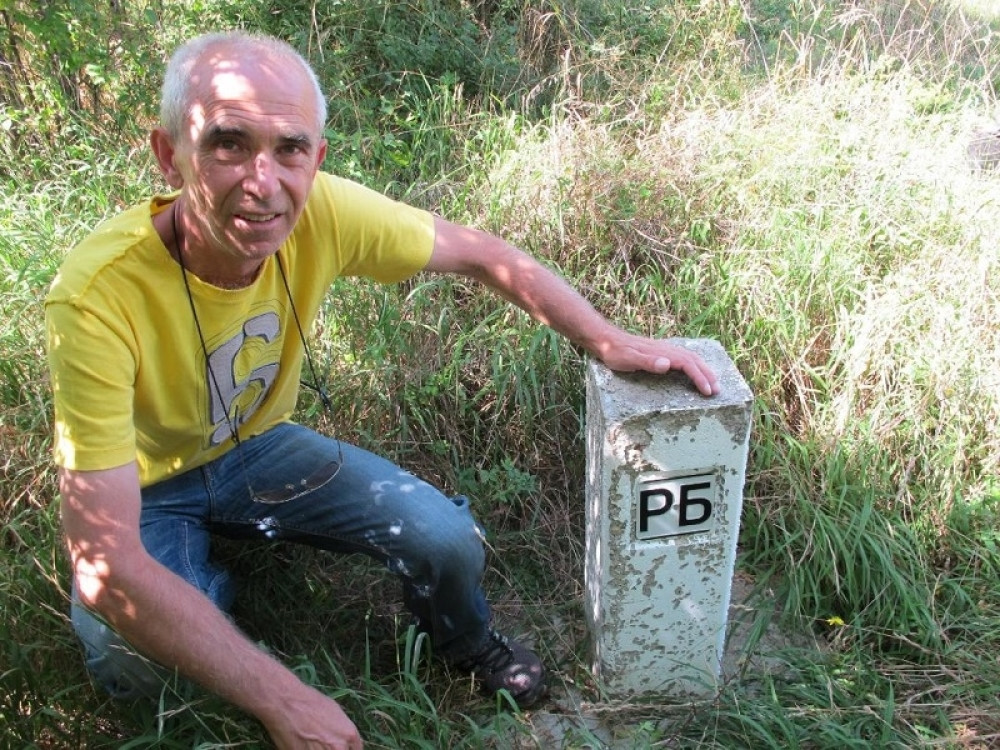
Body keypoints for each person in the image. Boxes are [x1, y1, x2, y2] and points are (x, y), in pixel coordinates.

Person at [45, 31, 720, 750]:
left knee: (445, 538)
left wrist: (608, 340)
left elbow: (484, 255)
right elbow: (105, 561)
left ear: (317, 160)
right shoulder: (95, 297)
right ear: (168, 154)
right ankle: (202, 644)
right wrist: (284, 699)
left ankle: (467, 644)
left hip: (258, 447)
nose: (263, 182)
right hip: (150, 489)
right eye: (228, 144)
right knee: (132, 655)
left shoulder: (324, 213)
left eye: (290, 149)